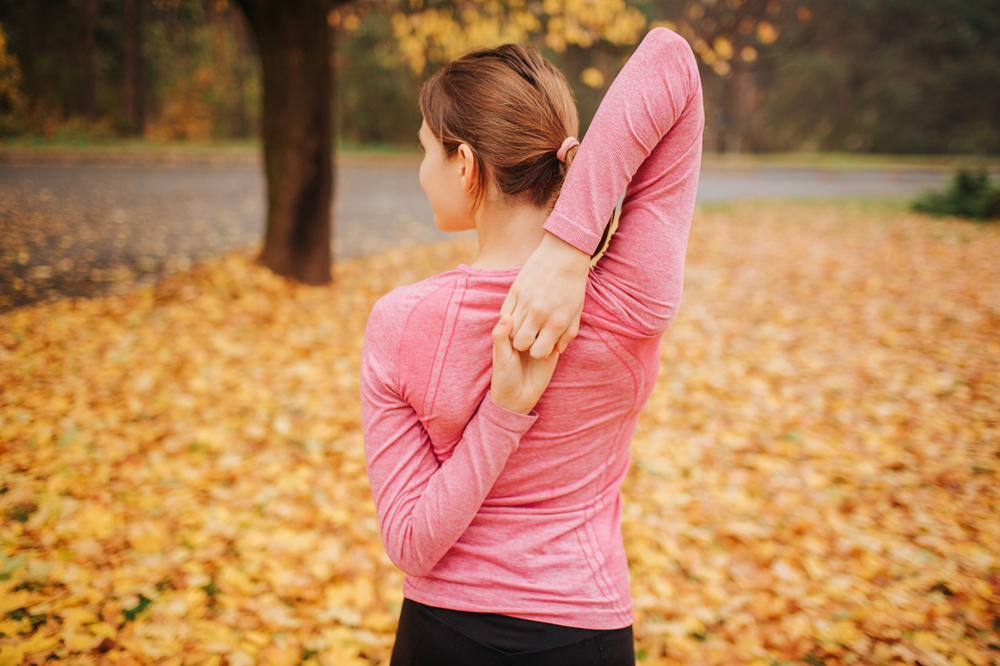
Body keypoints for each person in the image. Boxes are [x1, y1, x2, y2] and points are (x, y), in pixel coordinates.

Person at [360, 28, 703, 666]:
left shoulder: (401, 321)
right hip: (587, 635)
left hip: (443, 637)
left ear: (463, 164)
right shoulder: (631, 298)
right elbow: (671, 60)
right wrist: (573, 248)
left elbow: (411, 543)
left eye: (425, 150)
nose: (420, 170)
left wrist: (502, 417)